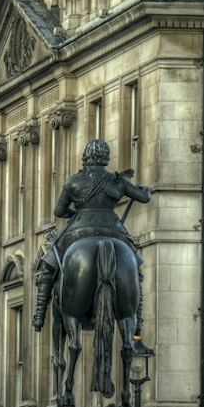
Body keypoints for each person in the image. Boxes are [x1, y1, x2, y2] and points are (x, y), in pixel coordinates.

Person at [31, 138, 152, 332]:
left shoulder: (73, 182)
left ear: (86, 157)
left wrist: (77, 214)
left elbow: (59, 211)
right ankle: (137, 320)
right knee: (136, 269)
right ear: (105, 157)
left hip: (78, 230)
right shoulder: (118, 181)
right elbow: (144, 198)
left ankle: (39, 316)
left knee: (47, 265)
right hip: (112, 230)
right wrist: (146, 191)